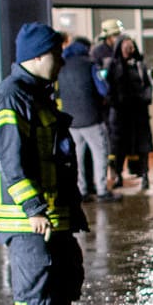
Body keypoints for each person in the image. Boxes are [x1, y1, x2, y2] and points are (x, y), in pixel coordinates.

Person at [0, 22, 87, 305]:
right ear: (40, 55)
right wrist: (33, 208)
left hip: (55, 223)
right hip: (32, 226)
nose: (61, 61)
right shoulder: (10, 98)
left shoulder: (38, 95)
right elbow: (11, 162)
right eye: (57, 54)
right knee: (35, 303)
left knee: (59, 299)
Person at [57, 37, 114, 203]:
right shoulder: (90, 64)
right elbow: (103, 89)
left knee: (77, 158)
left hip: (71, 122)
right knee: (100, 154)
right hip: (91, 119)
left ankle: (81, 190)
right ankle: (102, 190)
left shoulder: (61, 65)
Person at [104, 35, 153, 191]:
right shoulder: (112, 65)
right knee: (119, 147)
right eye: (125, 47)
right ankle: (118, 175)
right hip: (120, 113)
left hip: (139, 112)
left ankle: (144, 176)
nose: (128, 50)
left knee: (142, 146)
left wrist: (145, 99)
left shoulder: (139, 65)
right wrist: (114, 102)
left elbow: (147, 85)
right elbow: (108, 86)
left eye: (130, 47)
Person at [88, 19, 125, 191]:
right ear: (107, 36)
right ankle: (111, 173)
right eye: (114, 35)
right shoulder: (98, 52)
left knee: (118, 138)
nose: (117, 38)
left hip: (118, 102)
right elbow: (98, 78)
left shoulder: (119, 51)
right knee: (109, 138)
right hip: (105, 103)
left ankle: (118, 172)